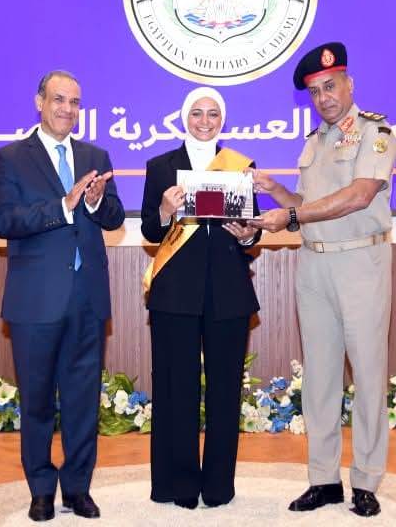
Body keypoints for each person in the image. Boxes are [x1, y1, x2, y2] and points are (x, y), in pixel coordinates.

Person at [248, 42, 396, 518]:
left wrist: (291, 216)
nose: (324, 98)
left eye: (330, 86)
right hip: (313, 267)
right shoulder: (314, 141)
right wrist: (277, 191)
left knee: (368, 376)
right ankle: (324, 480)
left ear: (349, 84)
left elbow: (358, 196)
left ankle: (366, 482)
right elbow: (308, 205)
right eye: (315, 91)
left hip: (360, 264)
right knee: (319, 378)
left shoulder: (376, 133)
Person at [0, 70, 125, 522]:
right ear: (39, 102)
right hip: (35, 302)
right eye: (59, 99)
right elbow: (4, 221)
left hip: (87, 299)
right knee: (38, 402)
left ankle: (78, 489)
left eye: (75, 102)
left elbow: (113, 217)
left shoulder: (95, 156)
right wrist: (64, 206)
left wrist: (94, 202)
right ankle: (41, 490)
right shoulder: (10, 158)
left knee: (83, 401)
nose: (67, 109)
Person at [140, 87, 261, 509]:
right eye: (197, 113)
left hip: (228, 292)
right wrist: (164, 211)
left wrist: (248, 235)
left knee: (225, 392)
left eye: (212, 114)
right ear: (184, 117)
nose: (204, 121)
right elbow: (151, 232)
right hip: (175, 295)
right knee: (175, 390)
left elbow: (252, 233)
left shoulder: (241, 167)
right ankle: (178, 485)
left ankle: (218, 487)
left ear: (221, 120)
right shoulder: (160, 167)